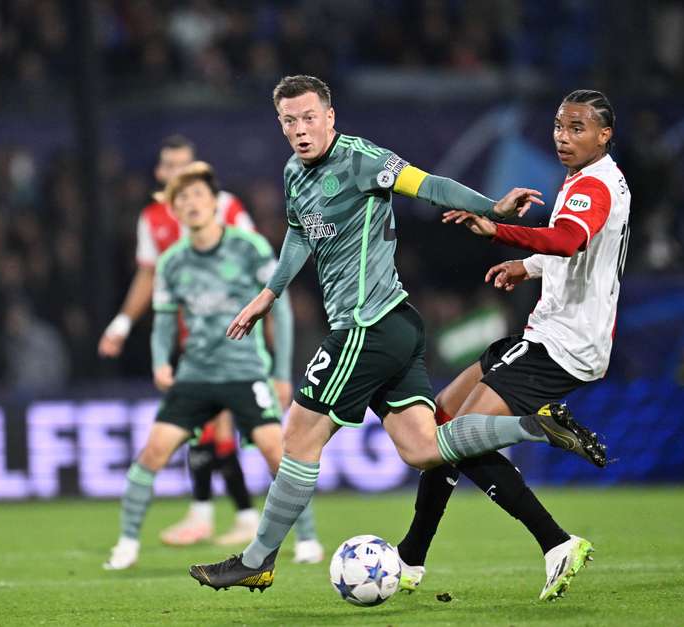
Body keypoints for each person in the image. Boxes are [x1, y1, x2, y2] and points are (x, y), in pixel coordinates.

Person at [188, 75, 605, 592]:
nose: (300, 130)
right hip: (395, 327)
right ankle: (536, 428)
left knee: (298, 437)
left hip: (367, 326)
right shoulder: (296, 174)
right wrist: (269, 294)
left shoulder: (361, 159)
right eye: (289, 121)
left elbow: (426, 185)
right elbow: (299, 235)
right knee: (423, 448)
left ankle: (257, 559)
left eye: (309, 117)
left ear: (330, 116)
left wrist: (490, 208)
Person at [394, 89, 629, 601]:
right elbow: (577, 249)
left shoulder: (593, 185)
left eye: (578, 128)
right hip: (550, 333)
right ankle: (411, 558)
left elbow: (569, 240)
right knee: (442, 421)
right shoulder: (589, 179)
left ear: (604, 134)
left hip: (562, 343)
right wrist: (528, 265)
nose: (564, 138)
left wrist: (498, 230)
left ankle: (556, 542)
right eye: (559, 127)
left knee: (460, 436)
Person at [103, 162, 321, 570]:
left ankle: (308, 538)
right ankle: (127, 543)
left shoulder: (250, 248)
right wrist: (159, 364)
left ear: (215, 203)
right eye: (182, 199)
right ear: (175, 211)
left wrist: (279, 372)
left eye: (198, 195)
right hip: (195, 376)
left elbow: (282, 310)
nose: (191, 204)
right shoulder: (171, 263)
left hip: (245, 371)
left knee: (280, 452)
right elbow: (165, 321)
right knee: (152, 451)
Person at [98, 135, 266, 551]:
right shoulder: (153, 218)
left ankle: (213, 513)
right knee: (211, 430)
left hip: (235, 341)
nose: (177, 173)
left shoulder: (226, 208)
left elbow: (257, 270)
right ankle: (234, 515)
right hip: (191, 341)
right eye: (170, 166)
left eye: (185, 166)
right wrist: (122, 322)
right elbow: (147, 276)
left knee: (218, 429)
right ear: (160, 173)